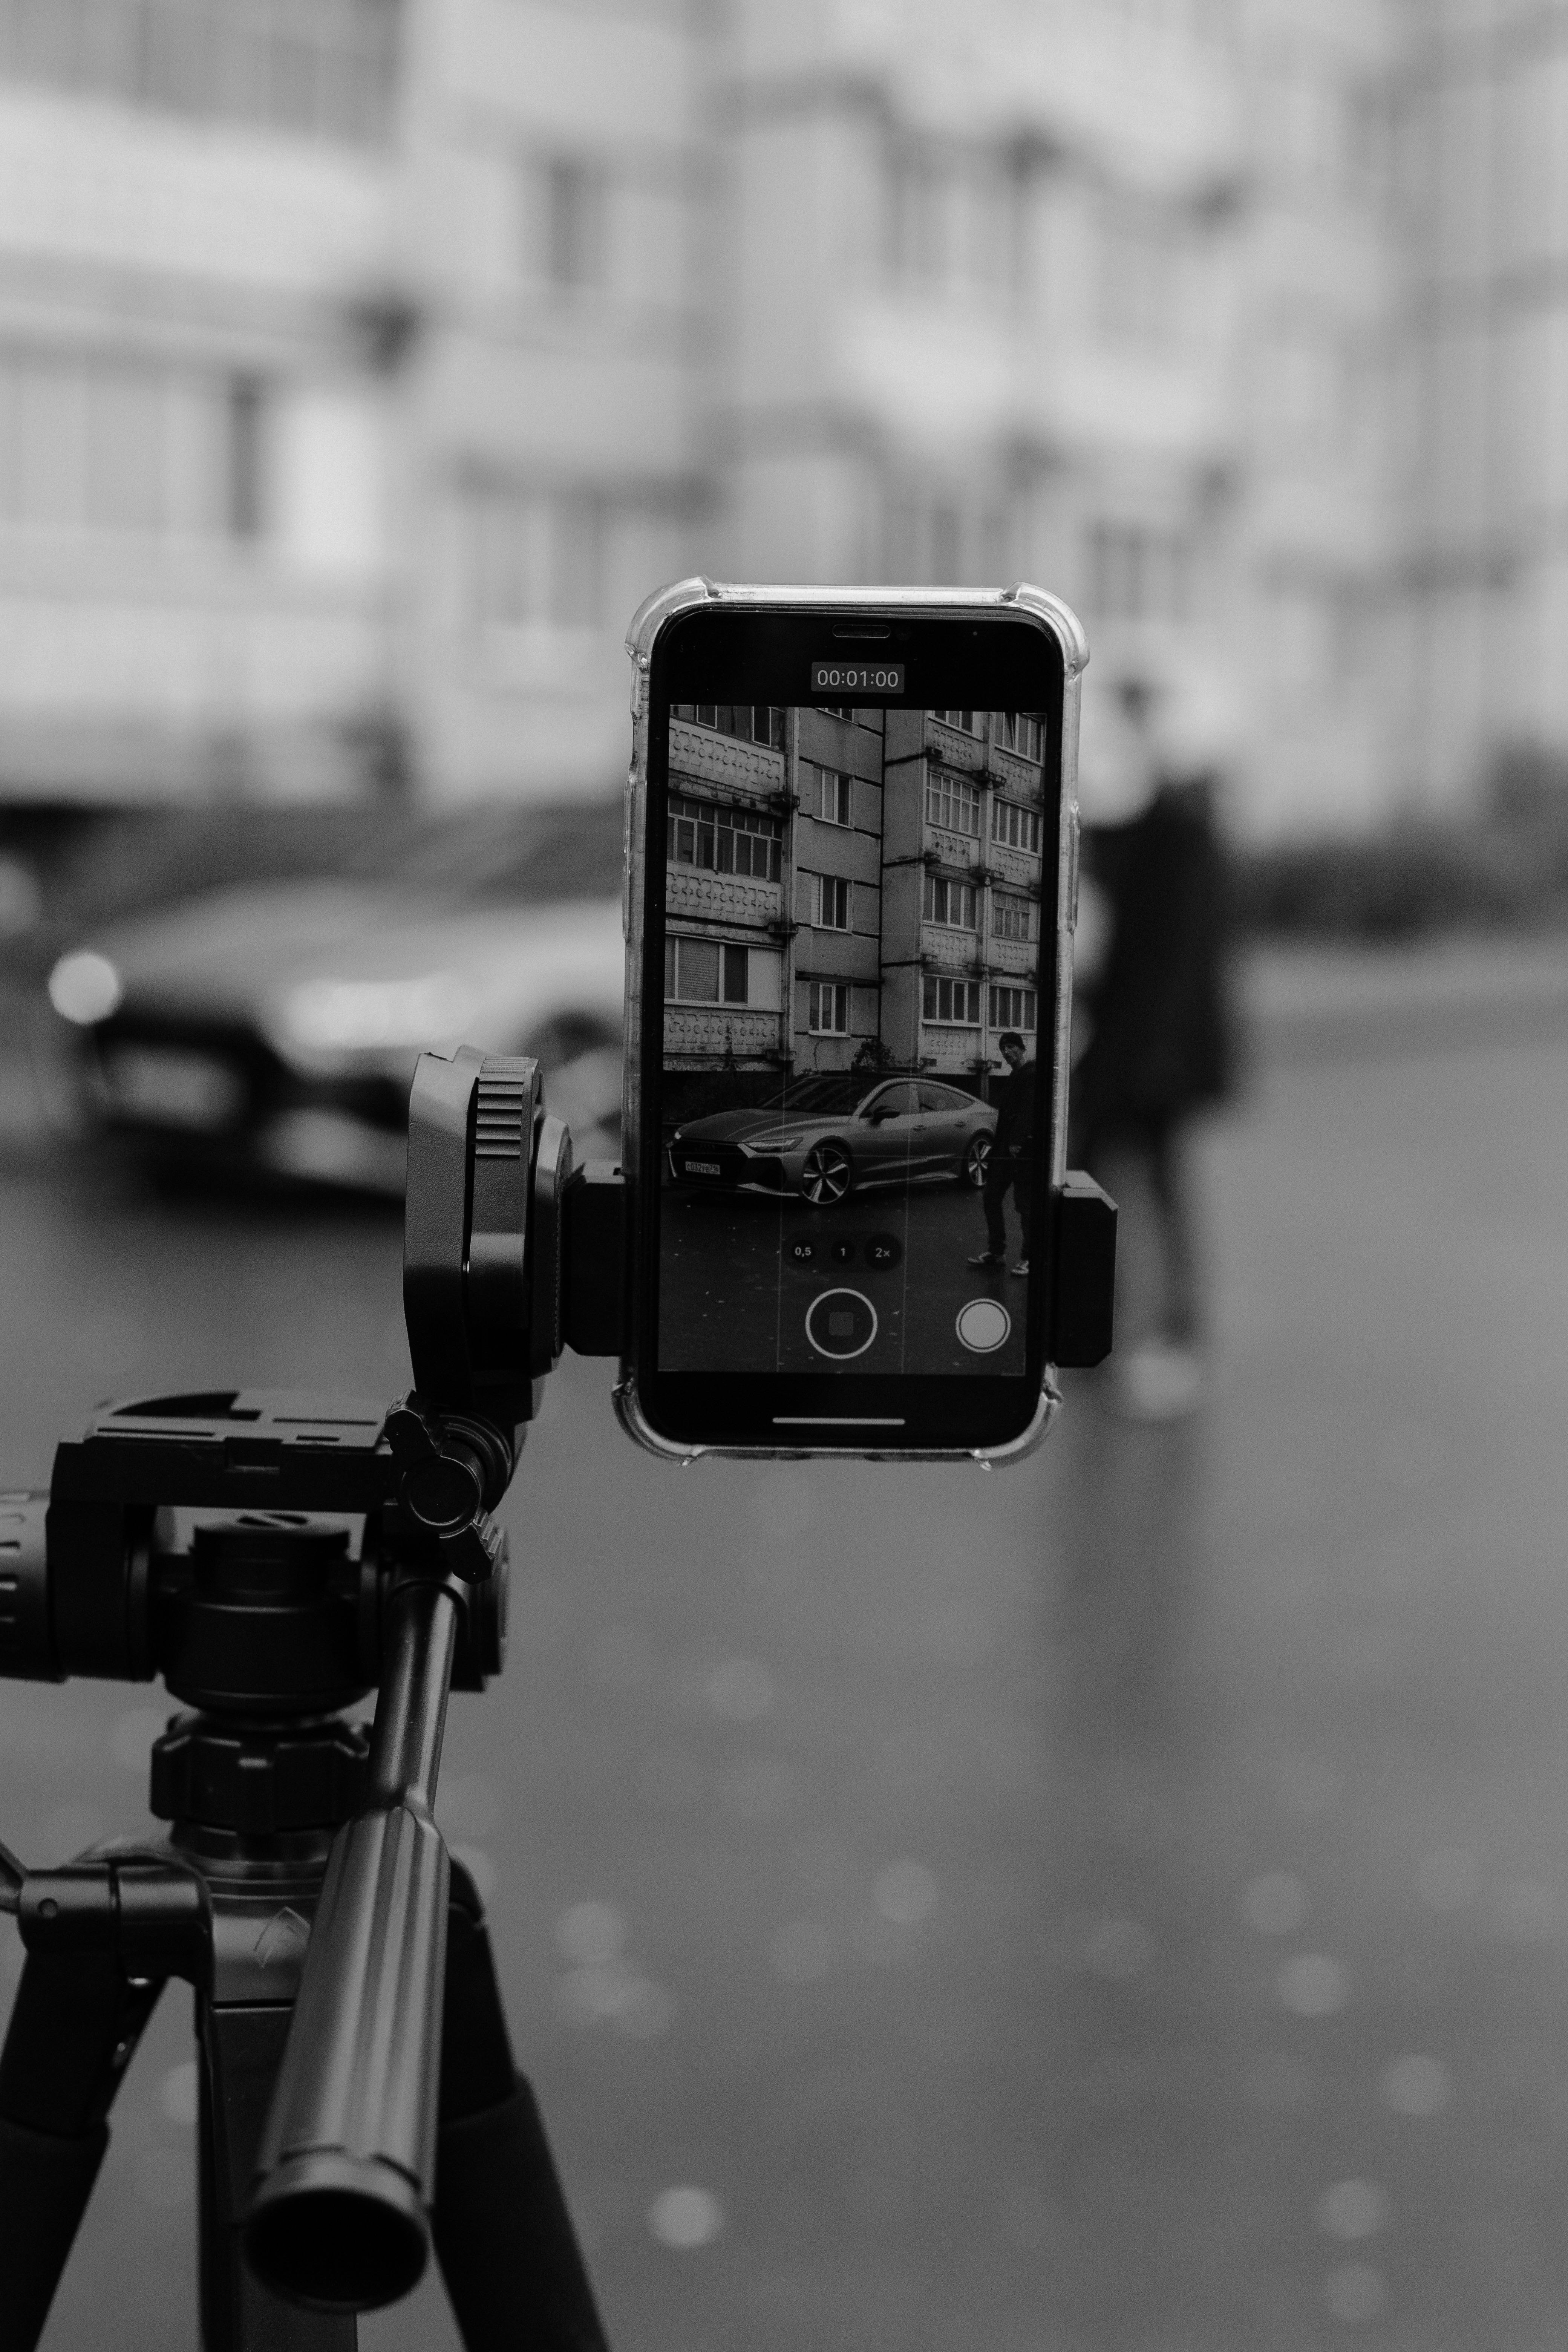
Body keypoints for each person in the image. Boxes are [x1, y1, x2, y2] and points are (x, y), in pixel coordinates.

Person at [1070, 673, 1237, 1419]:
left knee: (1156, 1195)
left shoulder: (1178, 831)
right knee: (1108, 1193)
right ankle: (1103, 1338)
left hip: (1147, 1061)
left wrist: (1142, 1062)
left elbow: (1177, 967)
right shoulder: (1128, 825)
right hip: (1115, 1054)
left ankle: (1174, 1340)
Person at [968, 1031, 1032, 1274]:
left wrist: (1017, 1142)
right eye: (1003, 1048)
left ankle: (1028, 1258)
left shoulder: (1031, 1075)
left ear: (1022, 1048)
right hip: (1004, 1149)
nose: (1007, 1052)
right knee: (991, 1196)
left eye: (1011, 1047)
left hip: (1022, 1151)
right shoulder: (1014, 1076)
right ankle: (997, 1253)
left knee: (1025, 1205)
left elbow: (1029, 1112)